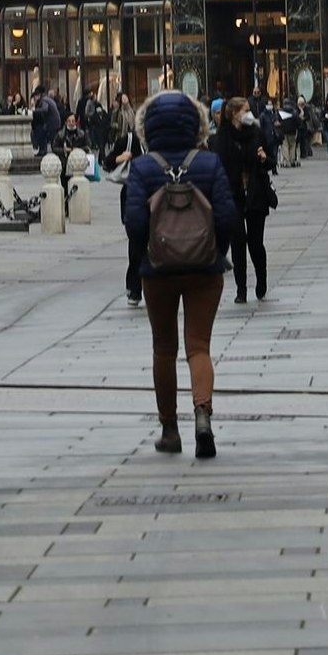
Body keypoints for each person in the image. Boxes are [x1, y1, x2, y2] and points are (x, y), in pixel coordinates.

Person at [121, 91, 238, 458]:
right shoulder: (209, 163)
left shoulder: (142, 168)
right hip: (204, 268)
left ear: (148, 128)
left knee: (164, 348)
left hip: (158, 271)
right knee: (199, 346)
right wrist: (216, 252)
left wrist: (147, 253)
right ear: (196, 125)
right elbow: (228, 216)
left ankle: (170, 429)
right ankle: (202, 414)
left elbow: (135, 222)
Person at [213, 97, 276, 303]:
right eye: (246, 110)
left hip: (256, 194)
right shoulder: (221, 138)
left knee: (256, 243)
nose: (249, 114)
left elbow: (271, 162)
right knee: (238, 242)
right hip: (233, 196)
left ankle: (261, 279)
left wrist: (264, 158)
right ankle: (241, 289)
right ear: (233, 114)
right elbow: (218, 168)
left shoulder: (256, 134)